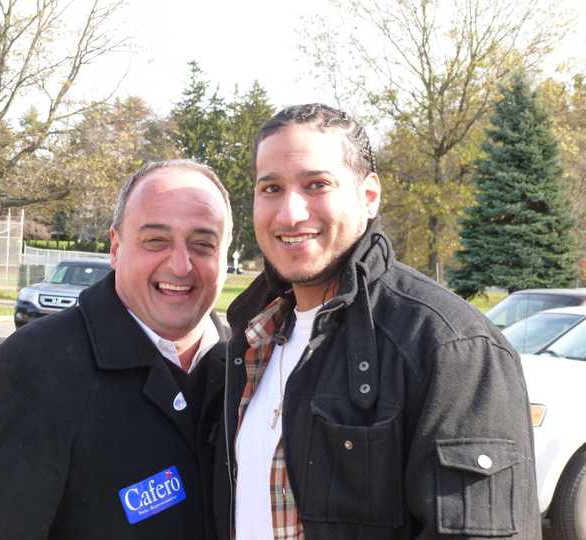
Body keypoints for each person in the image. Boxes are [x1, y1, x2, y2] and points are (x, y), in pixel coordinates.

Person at [211, 104, 540, 539]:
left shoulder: (452, 347)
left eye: (317, 185)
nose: (289, 213)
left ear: (369, 196)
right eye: (271, 188)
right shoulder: (252, 337)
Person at [0, 159, 231, 539]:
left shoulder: (252, 368)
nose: (181, 265)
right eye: (156, 240)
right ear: (115, 248)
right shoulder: (34, 371)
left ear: (227, 254)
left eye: (203, 244)